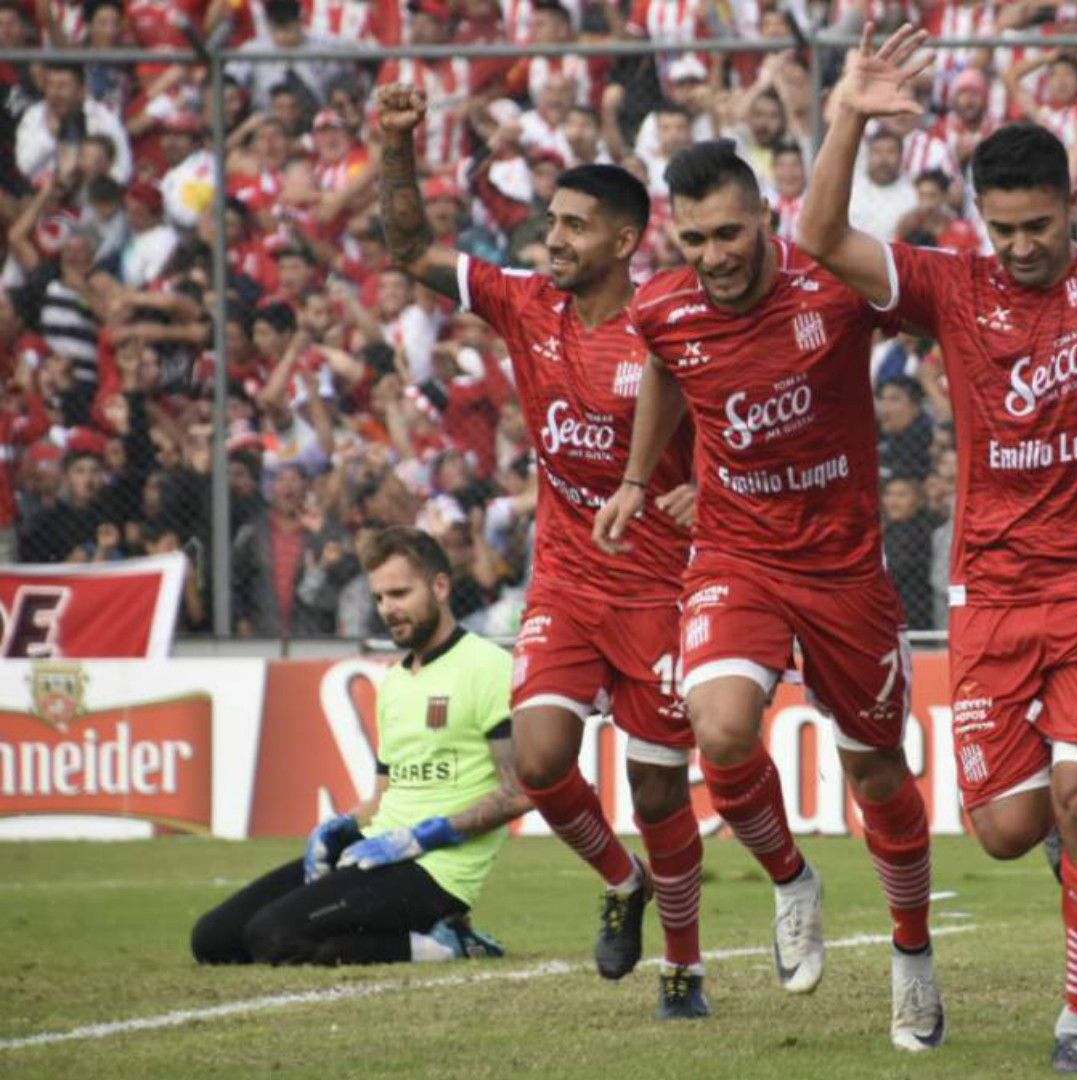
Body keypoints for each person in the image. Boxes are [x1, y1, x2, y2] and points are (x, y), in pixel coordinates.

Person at [798, 27, 1077, 1074]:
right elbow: (821, 234)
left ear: (1073, 206)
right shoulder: (953, 289)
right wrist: (848, 114)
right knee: (1006, 829)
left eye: (1038, 225)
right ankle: (1060, 837)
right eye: (1002, 227)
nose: (1019, 245)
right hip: (993, 596)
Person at [592, 139, 941, 1052]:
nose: (713, 256)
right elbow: (665, 365)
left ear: (765, 219)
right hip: (735, 555)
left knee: (877, 772)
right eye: (695, 239)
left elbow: (942, 319)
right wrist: (636, 479)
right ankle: (792, 878)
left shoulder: (834, 286)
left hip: (844, 568)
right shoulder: (664, 307)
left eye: (729, 234)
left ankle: (912, 952)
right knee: (719, 730)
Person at [374, 82, 710, 1017]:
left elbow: (737, 426)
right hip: (566, 578)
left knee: (656, 789)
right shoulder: (526, 305)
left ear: (624, 241)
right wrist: (396, 145)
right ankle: (623, 883)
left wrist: (703, 491)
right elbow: (409, 249)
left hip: (663, 591)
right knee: (541, 760)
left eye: (573, 226)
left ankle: (684, 966)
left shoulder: (668, 325)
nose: (552, 239)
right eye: (552, 221)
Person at [190, 528, 523, 966]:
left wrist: (425, 835)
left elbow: (521, 791)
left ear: (440, 587)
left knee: (273, 935)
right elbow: (383, 797)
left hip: (433, 872)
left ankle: (447, 944)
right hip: (375, 851)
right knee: (212, 939)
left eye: (399, 594)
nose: (387, 609)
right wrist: (344, 826)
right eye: (379, 598)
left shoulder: (489, 667)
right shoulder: (396, 681)